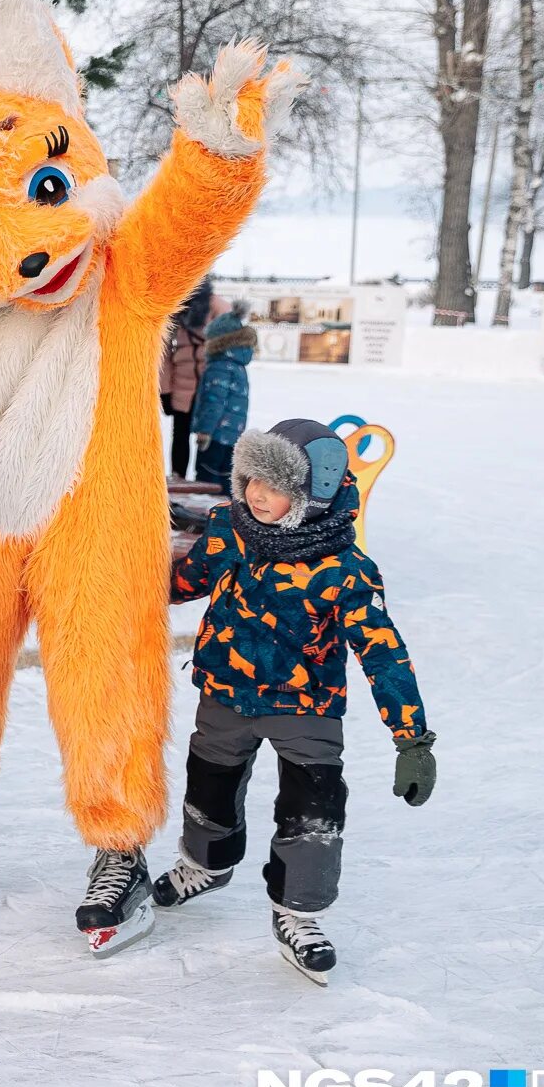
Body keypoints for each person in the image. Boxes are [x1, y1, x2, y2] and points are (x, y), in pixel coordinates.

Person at [156, 419, 437, 983]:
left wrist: (412, 738)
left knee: (314, 811)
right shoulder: (230, 530)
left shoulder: (345, 569)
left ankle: (300, 914)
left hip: (306, 707)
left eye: (274, 483)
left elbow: (383, 653)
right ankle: (205, 866)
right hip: (225, 696)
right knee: (208, 786)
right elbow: (182, 584)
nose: (256, 493)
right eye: (251, 477)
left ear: (315, 493)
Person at [190, 301, 255, 487]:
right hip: (233, 435)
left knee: (206, 480)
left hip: (215, 435)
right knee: (225, 481)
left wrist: (205, 431)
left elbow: (214, 402)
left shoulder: (218, 368)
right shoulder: (238, 365)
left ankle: (206, 514)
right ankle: (225, 514)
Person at [160, 279, 213, 479]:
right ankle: (184, 476)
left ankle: (191, 477)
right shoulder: (174, 305)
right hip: (192, 388)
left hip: (201, 388)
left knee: (191, 434)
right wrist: (165, 390)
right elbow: (163, 354)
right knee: (185, 434)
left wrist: (165, 390)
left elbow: (164, 355)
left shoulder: (214, 306)